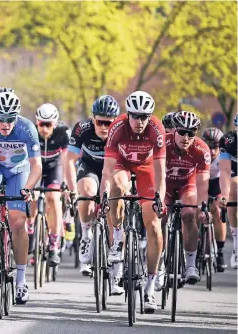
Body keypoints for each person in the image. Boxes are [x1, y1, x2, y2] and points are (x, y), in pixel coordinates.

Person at [101, 90, 166, 314]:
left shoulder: (156, 129)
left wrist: (159, 196)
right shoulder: (117, 127)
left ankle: (149, 287)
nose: (140, 121)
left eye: (144, 116)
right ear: (128, 114)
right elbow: (107, 169)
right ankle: (118, 238)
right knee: (117, 187)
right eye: (136, 116)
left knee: (155, 225)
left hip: (148, 169)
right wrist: (104, 195)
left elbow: (161, 172)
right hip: (122, 164)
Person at [0, 91, 41, 305]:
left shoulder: (27, 128)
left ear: (17, 116)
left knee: (17, 222)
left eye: (10, 119)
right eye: (1, 119)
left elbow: (37, 166)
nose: (5, 124)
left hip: (18, 171)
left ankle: (21, 281)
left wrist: (29, 188)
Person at [65, 95, 120, 283]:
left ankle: (116, 264)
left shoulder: (120, 132)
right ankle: (86, 236)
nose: (104, 127)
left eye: (108, 123)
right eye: (100, 122)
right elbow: (69, 160)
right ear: (93, 119)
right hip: (89, 166)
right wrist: (73, 190)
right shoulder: (82, 129)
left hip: (112, 170)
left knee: (114, 211)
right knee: (87, 194)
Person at [156, 111, 209, 288]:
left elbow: (202, 184)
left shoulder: (202, 150)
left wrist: (203, 208)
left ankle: (191, 265)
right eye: (182, 132)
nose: (186, 137)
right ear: (174, 131)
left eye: (191, 133)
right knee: (160, 216)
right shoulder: (163, 142)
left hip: (188, 184)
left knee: (189, 214)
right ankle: (160, 262)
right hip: (166, 185)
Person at [33, 103, 69, 266]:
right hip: (37, 167)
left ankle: (54, 243)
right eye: (41, 124)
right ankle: (31, 233)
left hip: (55, 166)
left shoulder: (63, 133)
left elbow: (66, 160)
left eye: (48, 125)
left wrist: (65, 184)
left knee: (53, 198)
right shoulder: (31, 132)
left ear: (55, 124)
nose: (44, 129)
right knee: (30, 197)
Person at [202, 127, 227, 271]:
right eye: (209, 147)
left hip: (217, 183)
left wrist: (223, 197)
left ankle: (220, 252)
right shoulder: (199, 152)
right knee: (195, 210)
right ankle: (197, 241)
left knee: (218, 210)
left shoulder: (224, 156)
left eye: (215, 147)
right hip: (201, 182)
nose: (211, 151)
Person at [219, 114, 237, 269]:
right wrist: (224, 195)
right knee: (234, 186)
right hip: (234, 171)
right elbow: (225, 171)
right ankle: (236, 244)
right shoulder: (228, 140)